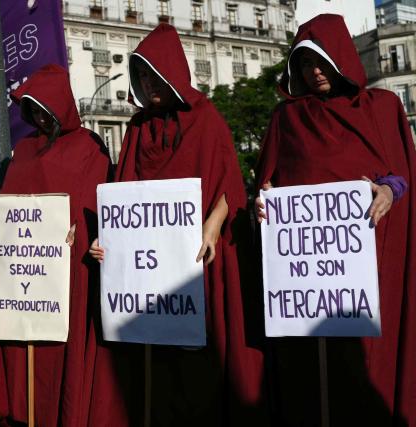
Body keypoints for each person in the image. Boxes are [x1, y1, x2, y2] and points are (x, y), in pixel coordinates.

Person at [89, 24, 267, 425]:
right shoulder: (136, 128)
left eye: (156, 74)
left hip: (197, 261)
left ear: (173, 72)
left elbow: (229, 186)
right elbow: (123, 194)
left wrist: (212, 226)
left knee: (195, 363)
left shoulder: (207, 120)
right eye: (143, 76)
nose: (150, 84)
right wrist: (107, 240)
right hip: (146, 271)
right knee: (152, 363)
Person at [255, 14, 416, 426]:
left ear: (341, 57)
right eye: (305, 64)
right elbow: (266, 184)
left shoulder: (381, 107)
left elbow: (401, 174)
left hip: (368, 267)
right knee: (310, 376)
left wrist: (388, 191)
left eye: (322, 60)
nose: (315, 72)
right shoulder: (285, 118)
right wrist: (261, 206)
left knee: (363, 370)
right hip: (302, 280)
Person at [0, 64, 125, 426]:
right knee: (24, 351)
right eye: (33, 110)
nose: (39, 117)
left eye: (45, 108)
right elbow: (10, 205)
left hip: (68, 274)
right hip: (24, 277)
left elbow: (98, 206)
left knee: (60, 355)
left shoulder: (89, 147)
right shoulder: (23, 151)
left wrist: (82, 232)